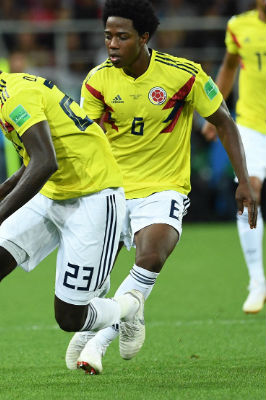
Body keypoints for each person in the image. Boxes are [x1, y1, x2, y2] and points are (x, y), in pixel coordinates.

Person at [0, 35, 145, 395]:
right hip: (54, 192)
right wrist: (3, 189)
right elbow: (43, 154)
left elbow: (45, 160)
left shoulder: (15, 98)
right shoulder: (10, 93)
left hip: (94, 197)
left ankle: (128, 308)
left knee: (70, 318)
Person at [66, 0, 258, 375]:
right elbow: (84, 140)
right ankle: (127, 312)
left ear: (144, 37)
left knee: (151, 257)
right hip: (112, 190)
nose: (113, 44)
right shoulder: (97, 81)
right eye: (108, 36)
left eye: (122, 36)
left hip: (164, 188)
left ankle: (102, 337)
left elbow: (224, 122)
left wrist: (243, 180)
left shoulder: (183, 75)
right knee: (84, 295)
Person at [201, 0, 266, 314]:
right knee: (248, 192)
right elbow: (228, 66)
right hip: (253, 126)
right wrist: (217, 113)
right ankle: (257, 281)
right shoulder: (239, 26)